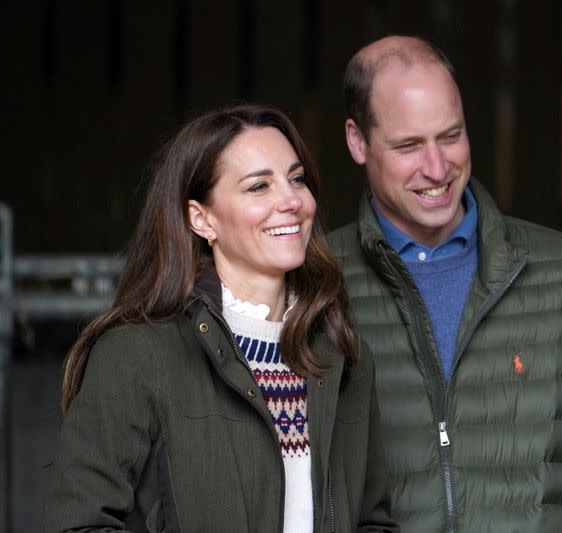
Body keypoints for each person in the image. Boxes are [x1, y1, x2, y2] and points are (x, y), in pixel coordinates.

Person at [327, 35, 562, 532]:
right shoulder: (317, 284)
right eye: (408, 146)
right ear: (358, 141)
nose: (438, 168)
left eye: (450, 136)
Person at [44, 104, 398, 533]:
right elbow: (78, 523)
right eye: (258, 187)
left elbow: (373, 521)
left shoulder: (342, 352)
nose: (291, 200)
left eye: (296, 178)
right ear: (201, 218)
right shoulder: (136, 353)